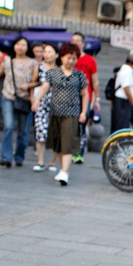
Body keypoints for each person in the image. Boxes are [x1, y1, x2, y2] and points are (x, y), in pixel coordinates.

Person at [32, 42, 88, 186]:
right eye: (69, 57)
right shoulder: (53, 73)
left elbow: (84, 94)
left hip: (72, 113)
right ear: (62, 57)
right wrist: (36, 100)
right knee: (59, 143)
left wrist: (83, 112)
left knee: (68, 142)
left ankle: (64, 171)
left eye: (74, 58)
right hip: (55, 112)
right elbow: (45, 87)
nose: (71, 61)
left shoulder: (80, 76)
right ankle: (64, 170)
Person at [0, 36, 38, 168]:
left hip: (24, 99)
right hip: (8, 96)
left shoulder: (33, 63)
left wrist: (28, 85)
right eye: (18, 44)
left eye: (23, 45)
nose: (20, 47)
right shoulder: (8, 60)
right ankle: (6, 157)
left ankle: (19, 156)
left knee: (23, 131)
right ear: (14, 46)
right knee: (9, 126)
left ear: (27, 47)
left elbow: (38, 81)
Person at [71, 33, 99, 164]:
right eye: (73, 40)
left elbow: (95, 81)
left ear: (83, 44)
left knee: (81, 123)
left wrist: (96, 99)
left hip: (85, 97)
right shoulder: (67, 59)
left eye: (78, 41)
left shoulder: (90, 60)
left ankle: (78, 153)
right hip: (69, 96)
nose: (75, 43)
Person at [30, 43, 58, 173]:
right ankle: (40, 161)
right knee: (40, 130)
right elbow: (34, 83)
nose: (46, 54)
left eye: (49, 52)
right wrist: (33, 100)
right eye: (45, 52)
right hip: (41, 102)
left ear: (56, 55)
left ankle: (52, 162)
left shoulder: (61, 69)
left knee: (56, 133)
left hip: (57, 103)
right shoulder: (39, 67)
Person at [111, 54, 133, 133]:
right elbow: (126, 89)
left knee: (120, 125)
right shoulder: (127, 71)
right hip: (122, 102)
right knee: (121, 126)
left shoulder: (124, 70)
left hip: (121, 102)